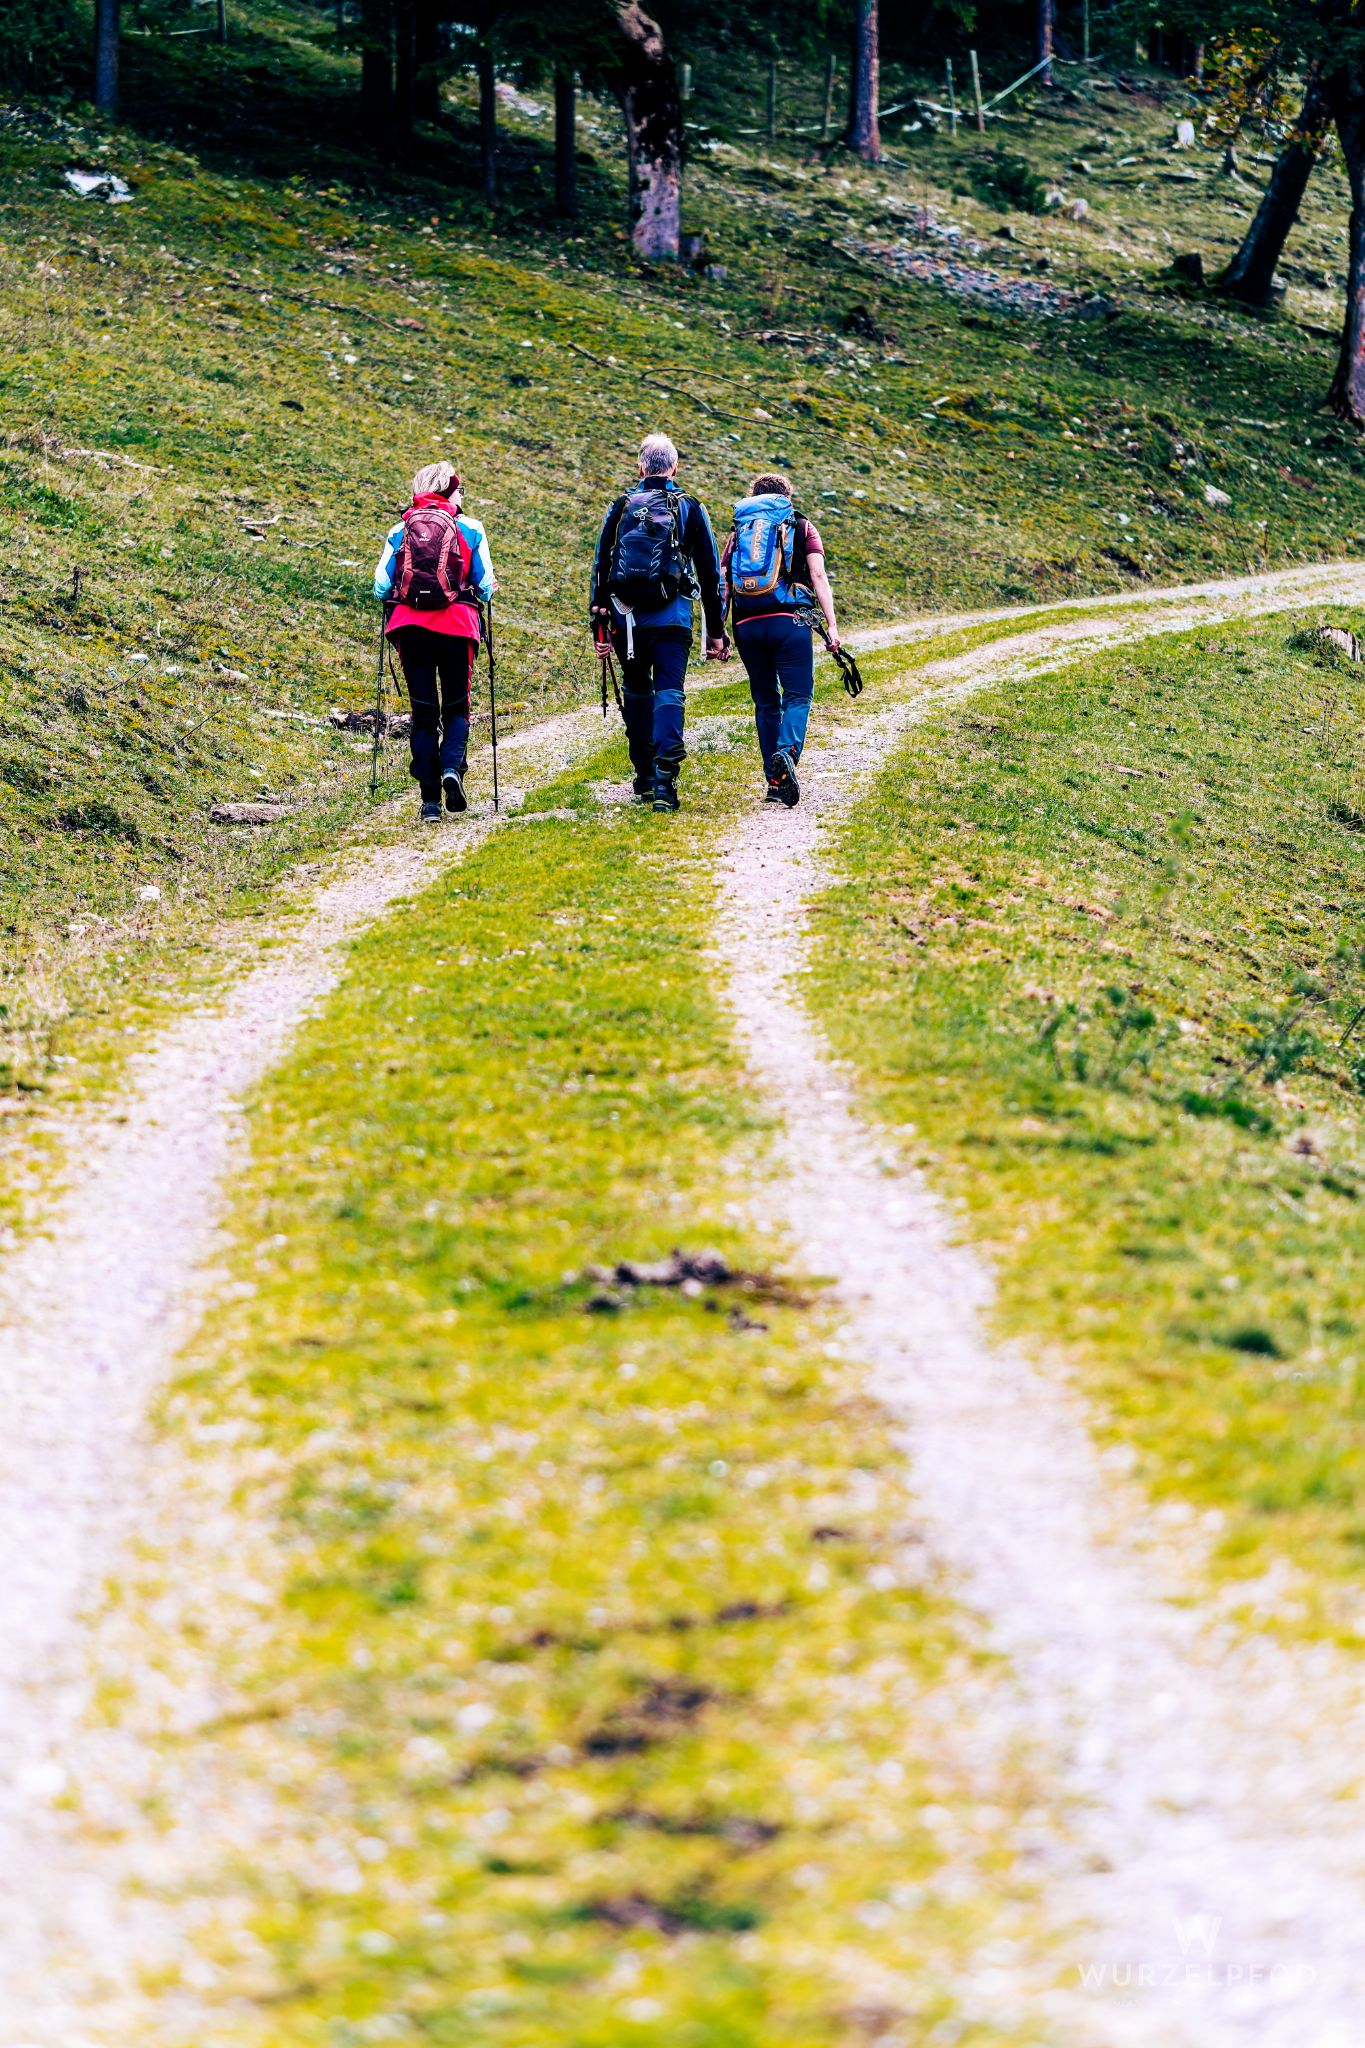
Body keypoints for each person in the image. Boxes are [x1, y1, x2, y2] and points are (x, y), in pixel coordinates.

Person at [590, 433, 729, 813]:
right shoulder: (690, 507)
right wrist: (716, 631)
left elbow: (601, 567)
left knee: (637, 689)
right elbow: (710, 572)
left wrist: (598, 625)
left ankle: (644, 776)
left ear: (640, 467)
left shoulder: (621, 506)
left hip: (626, 618)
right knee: (670, 691)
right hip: (673, 617)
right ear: (675, 467)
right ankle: (666, 780)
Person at [374, 460, 498, 824]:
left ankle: (429, 802)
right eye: (460, 489)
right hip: (458, 627)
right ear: (451, 490)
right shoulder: (471, 529)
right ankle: (451, 770)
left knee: (424, 714)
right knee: (457, 708)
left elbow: (381, 586)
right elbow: (486, 587)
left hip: (411, 629)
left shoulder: (401, 529)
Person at [722, 471, 840, 808]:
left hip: (747, 624)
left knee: (765, 701)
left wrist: (718, 632)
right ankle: (786, 753)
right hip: (790, 621)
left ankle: (775, 784)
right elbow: (817, 574)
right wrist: (831, 625)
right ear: (786, 498)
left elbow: (723, 583)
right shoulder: (800, 526)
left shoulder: (738, 532)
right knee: (798, 695)